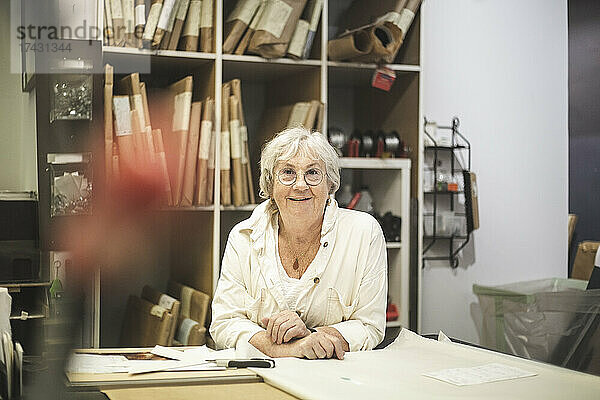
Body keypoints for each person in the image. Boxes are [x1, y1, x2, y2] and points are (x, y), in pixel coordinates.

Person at [210, 127, 387, 359]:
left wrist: (313, 335)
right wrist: (287, 348)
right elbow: (224, 323)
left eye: (313, 173)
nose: (300, 185)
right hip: (261, 373)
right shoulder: (243, 236)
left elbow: (370, 326)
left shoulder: (364, 233)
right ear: (271, 185)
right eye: (287, 173)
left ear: (330, 184)